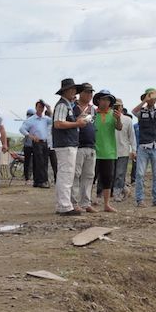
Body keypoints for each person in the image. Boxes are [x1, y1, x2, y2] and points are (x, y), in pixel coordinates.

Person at [51, 77, 85, 216]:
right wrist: (77, 124)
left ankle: (63, 204)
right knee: (66, 174)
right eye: (72, 90)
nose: (74, 92)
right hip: (65, 144)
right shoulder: (62, 106)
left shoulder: (67, 105)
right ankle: (64, 205)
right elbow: (58, 123)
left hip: (68, 143)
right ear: (66, 91)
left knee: (66, 174)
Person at [92, 89, 122, 212]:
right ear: (98, 100)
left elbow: (119, 127)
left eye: (108, 100)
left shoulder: (113, 114)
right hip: (94, 151)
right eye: (103, 99)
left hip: (109, 152)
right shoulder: (93, 114)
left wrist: (119, 119)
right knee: (90, 177)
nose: (105, 102)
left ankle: (106, 204)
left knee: (107, 179)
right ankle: (87, 201)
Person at [71, 83, 97, 213]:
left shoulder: (92, 110)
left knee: (89, 175)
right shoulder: (73, 107)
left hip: (91, 145)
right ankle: (74, 202)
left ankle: (86, 202)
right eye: (86, 92)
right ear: (80, 93)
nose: (89, 95)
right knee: (76, 174)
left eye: (91, 92)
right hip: (78, 145)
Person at [19, 100, 52, 188]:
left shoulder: (45, 119)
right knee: (40, 161)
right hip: (37, 142)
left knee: (44, 161)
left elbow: (53, 121)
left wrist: (49, 109)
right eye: (39, 107)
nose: (40, 109)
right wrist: (30, 136)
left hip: (44, 142)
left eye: (42, 107)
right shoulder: (31, 119)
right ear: (36, 108)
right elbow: (22, 129)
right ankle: (42, 181)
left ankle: (37, 181)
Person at [112, 99, 136, 202]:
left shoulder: (127, 120)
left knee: (120, 174)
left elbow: (132, 136)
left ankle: (117, 194)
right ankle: (125, 189)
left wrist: (134, 150)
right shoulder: (108, 119)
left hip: (123, 151)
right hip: (110, 151)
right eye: (114, 106)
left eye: (119, 106)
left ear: (122, 107)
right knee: (112, 174)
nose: (117, 108)